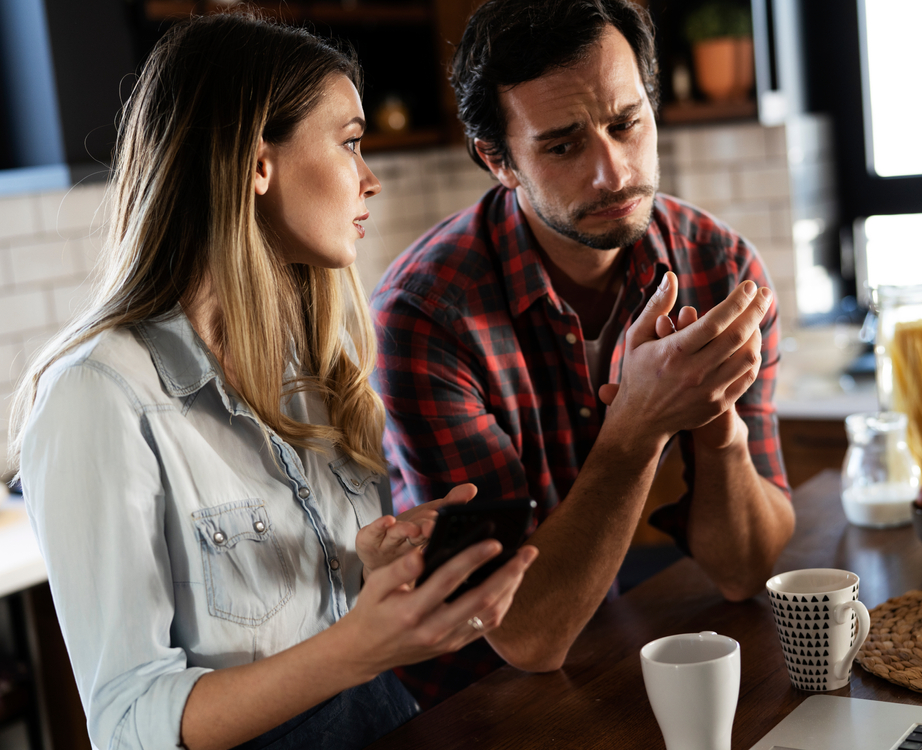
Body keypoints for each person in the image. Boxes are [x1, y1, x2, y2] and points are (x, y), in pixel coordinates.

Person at [8, 12, 538, 750]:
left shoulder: (311, 373)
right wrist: (361, 645)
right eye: (350, 141)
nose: (370, 178)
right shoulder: (100, 397)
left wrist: (377, 575)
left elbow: (320, 632)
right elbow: (129, 725)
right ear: (258, 164)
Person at [370, 0, 795, 704]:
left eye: (626, 124)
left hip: (613, 649)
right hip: (465, 701)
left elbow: (743, 572)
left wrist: (713, 414)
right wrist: (638, 422)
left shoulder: (720, 267)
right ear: (498, 160)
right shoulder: (424, 316)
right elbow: (524, 636)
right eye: (562, 146)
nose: (612, 172)